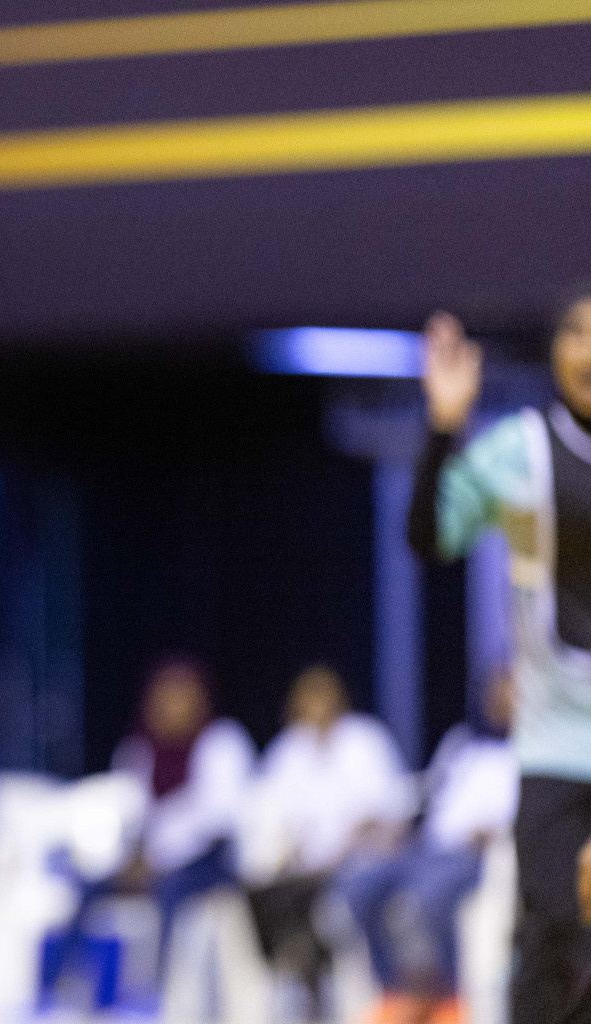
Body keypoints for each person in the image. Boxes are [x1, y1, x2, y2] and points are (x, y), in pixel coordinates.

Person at [408, 291, 591, 1023]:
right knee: (549, 943)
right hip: (552, 747)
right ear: (554, 352)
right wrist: (442, 429)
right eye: (577, 333)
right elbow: (430, 538)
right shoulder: (519, 449)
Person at [336, 668, 518, 1024]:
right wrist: (396, 826)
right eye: (493, 691)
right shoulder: (461, 742)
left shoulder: (527, 750)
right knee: (360, 887)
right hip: (427, 847)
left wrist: (491, 830)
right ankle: (392, 990)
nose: (498, 700)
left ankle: (448, 997)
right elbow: (426, 796)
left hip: (475, 855)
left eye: (508, 692)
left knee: (426, 897)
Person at [240, 666, 414, 1015]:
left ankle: (320, 983)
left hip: (359, 862)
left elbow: (393, 811)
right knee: (261, 892)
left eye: (323, 699)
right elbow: (271, 814)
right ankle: (293, 975)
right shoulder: (289, 750)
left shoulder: (364, 739)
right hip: (306, 867)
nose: (316, 708)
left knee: (319, 899)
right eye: (308, 701)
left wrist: (350, 842)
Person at [110, 656, 255, 955]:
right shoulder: (137, 750)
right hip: (153, 858)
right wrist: (137, 856)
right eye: (163, 698)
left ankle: (159, 991)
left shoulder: (222, 741)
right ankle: (60, 987)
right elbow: (131, 816)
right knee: (90, 887)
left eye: (179, 698)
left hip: (212, 860)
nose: (170, 707)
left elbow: (217, 820)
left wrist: (160, 858)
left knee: (170, 890)